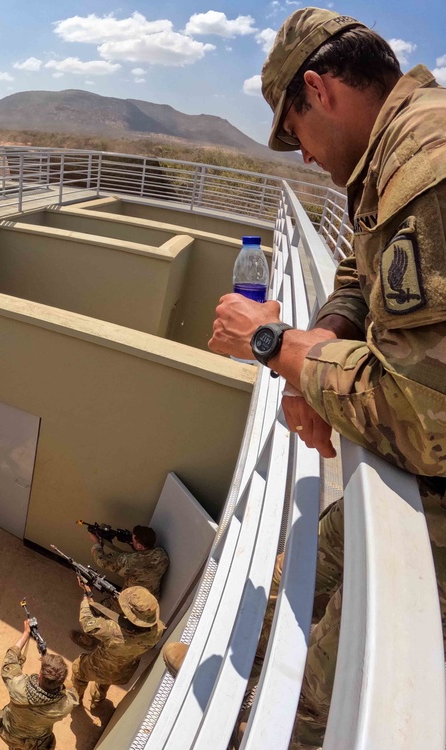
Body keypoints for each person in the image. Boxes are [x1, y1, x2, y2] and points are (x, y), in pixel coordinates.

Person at [186, 7, 446, 746]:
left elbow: (424, 416)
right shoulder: (395, 152)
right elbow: (358, 276)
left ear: (319, 89)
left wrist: (273, 343)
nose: (300, 157)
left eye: (293, 131)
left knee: (331, 698)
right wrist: (314, 352)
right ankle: (245, 677)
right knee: (319, 551)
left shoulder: (427, 165)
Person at [70, 582, 165, 714]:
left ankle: (76, 699)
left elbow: (87, 623)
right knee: (106, 681)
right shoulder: (158, 630)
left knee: (78, 670)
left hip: (98, 667)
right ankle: (97, 703)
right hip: (123, 672)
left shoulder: (112, 630)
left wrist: (87, 596)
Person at [70, 523, 169, 649]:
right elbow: (143, 557)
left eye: (133, 540)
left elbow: (103, 561)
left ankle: (87, 640)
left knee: (98, 609)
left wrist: (96, 544)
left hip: (131, 600)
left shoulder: (130, 562)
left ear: (139, 545)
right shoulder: (161, 555)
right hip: (149, 601)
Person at [0, 619, 78, 749]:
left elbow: (10, 660)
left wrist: (26, 634)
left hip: (10, 733)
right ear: (60, 682)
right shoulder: (65, 706)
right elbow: (71, 691)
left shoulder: (17, 687)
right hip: (34, 744)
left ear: (40, 675)